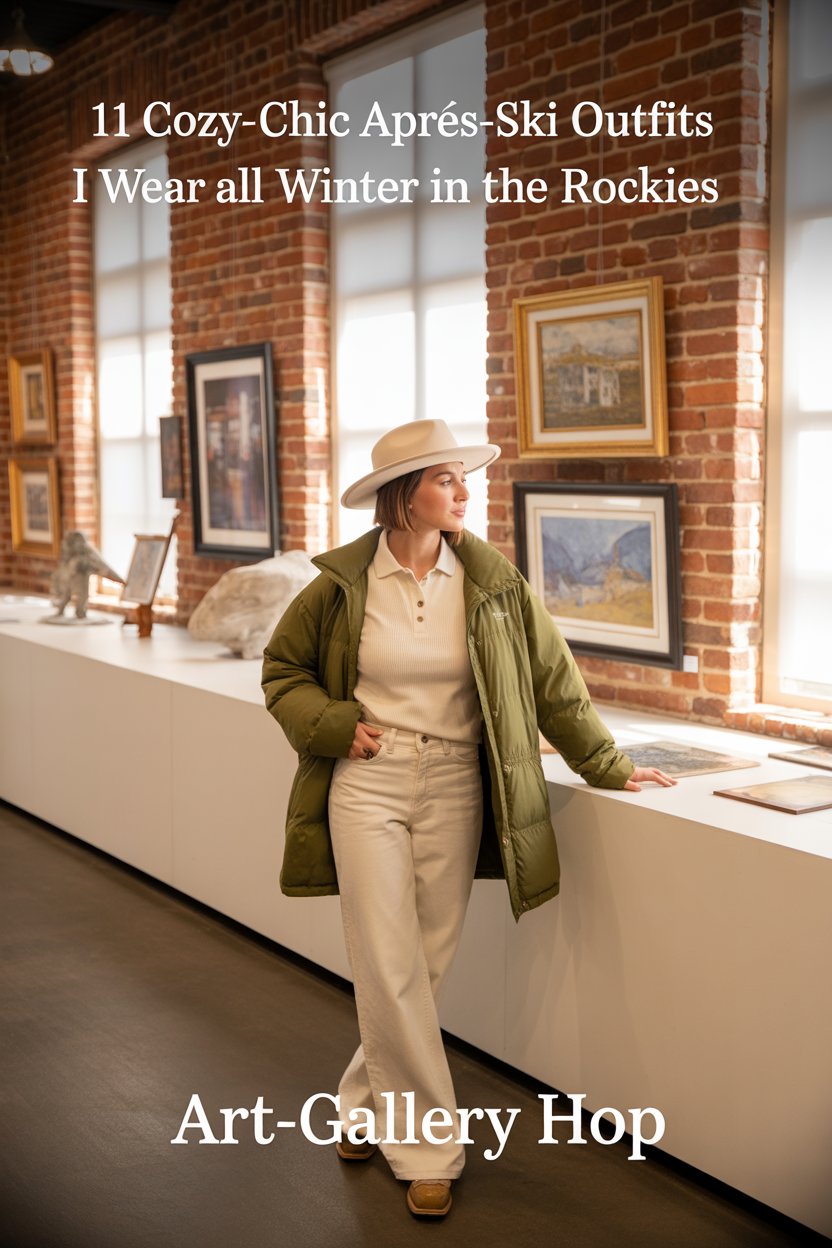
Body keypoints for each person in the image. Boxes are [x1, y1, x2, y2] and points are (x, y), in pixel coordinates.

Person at [261, 419, 675, 1219]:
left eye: (462, 477)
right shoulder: (342, 584)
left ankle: (359, 1105)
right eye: (447, 478)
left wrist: (608, 763)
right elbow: (284, 672)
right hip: (368, 782)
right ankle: (427, 1149)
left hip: (457, 784)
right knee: (386, 958)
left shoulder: (492, 581)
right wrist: (334, 723)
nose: (465, 490)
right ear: (403, 496)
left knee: (422, 961)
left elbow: (554, 681)